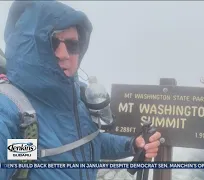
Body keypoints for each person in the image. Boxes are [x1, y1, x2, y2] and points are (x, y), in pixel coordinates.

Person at [0, 1, 161, 180]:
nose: (64, 54)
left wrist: (131, 145)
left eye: (73, 45)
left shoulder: (76, 99)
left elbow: (89, 142)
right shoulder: (10, 108)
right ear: (28, 45)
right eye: (52, 42)